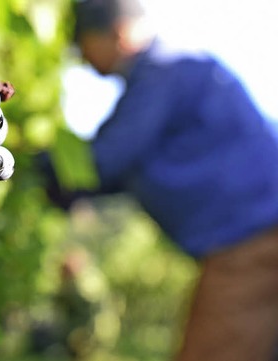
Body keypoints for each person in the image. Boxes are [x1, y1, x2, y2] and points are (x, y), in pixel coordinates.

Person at [47, 0, 278, 360]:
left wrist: (21, 163)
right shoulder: (171, 77)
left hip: (254, 242)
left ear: (118, 33)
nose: (81, 57)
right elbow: (118, 171)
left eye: (83, 42)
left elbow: (105, 161)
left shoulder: (163, 70)